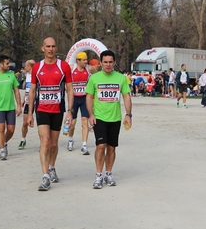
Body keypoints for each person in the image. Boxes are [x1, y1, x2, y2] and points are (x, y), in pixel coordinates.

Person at [27, 37, 74, 191]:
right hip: (42, 110)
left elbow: (69, 89)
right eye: (48, 46)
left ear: (56, 48)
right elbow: (33, 91)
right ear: (43, 48)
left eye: (53, 46)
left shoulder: (64, 66)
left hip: (58, 110)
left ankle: (52, 167)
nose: (51, 49)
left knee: (54, 144)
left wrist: (70, 111)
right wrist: (29, 113)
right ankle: (45, 176)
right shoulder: (37, 68)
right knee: (45, 141)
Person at [85, 50, 132, 189]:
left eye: (110, 62)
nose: (108, 64)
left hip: (115, 118)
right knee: (100, 146)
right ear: (101, 63)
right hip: (99, 117)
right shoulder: (94, 78)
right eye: (105, 62)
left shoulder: (121, 78)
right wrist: (90, 114)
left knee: (111, 148)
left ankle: (108, 173)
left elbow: (126, 96)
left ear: (114, 63)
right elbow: (88, 96)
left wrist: (128, 115)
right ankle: (98, 175)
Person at [67, 51, 91, 155]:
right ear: (78, 60)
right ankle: (71, 140)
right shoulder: (72, 68)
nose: (86, 62)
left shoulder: (88, 69)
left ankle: (84, 145)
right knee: (72, 123)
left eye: (86, 60)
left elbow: (98, 69)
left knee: (85, 122)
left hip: (84, 99)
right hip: (74, 99)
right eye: (84, 60)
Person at [18, 59, 36, 150]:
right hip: (28, 101)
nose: (25, 67)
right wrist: (23, 100)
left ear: (31, 66)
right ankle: (23, 139)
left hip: (38, 101)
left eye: (26, 65)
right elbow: (28, 89)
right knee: (25, 122)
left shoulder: (37, 75)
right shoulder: (28, 75)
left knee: (42, 123)